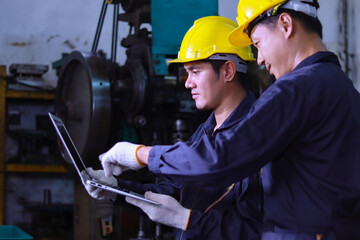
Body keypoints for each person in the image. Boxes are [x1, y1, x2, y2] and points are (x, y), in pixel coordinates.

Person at [98, 0, 360, 238]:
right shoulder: (343, 88)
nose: (259, 59)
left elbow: (220, 159)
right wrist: (118, 190)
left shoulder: (296, 88)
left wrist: (142, 155)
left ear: (285, 24)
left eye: (257, 43)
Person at [82, 16, 263, 239]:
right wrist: (116, 189)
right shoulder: (207, 131)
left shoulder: (259, 133)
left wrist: (188, 221)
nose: (187, 83)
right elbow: (176, 191)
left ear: (228, 71)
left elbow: (256, 230)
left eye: (195, 71)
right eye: (187, 73)